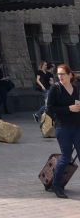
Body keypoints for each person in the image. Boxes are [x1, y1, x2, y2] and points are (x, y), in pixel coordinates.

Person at [45, 64, 80, 199]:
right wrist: (68, 109)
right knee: (65, 157)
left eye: (62, 74)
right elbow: (49, 108)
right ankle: (56, 184)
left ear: (70, 75)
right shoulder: (56, 88)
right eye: (58, 74)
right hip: (62, 127)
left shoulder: (75, 88)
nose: (59, 77)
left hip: (77, 126)